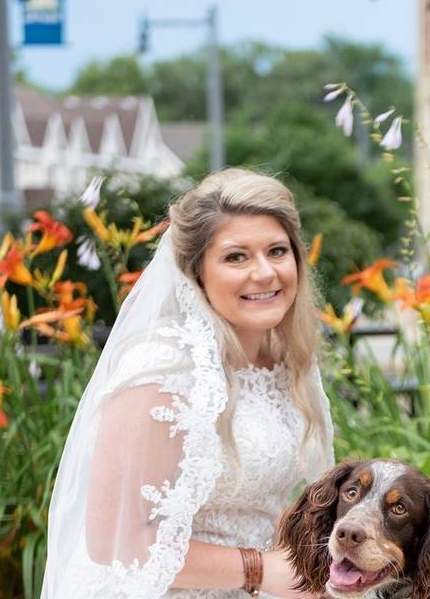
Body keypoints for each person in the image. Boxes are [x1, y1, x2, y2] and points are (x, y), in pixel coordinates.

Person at [42, 169, 334, 598]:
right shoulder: (161, 371)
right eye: (236, 257)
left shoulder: (289, 357)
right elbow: (115, 542)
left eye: (277, 251)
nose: (264, 272)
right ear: (197, 273)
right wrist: (257, 569)